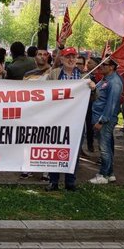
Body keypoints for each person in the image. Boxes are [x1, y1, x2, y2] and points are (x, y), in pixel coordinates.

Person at [45, 47, 83, 191]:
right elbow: (44, 93)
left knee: (74, 150)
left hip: (76, 121)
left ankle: (70, 182)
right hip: (57, 119)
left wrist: (93, 89)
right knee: (55, 149)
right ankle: (53, 181)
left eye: (74, 57)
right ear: (61, 59)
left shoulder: (84, 77)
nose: (71, 59)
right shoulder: (54, 74)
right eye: (68, 56)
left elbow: (93, 98)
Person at [88, 59, 123, 184]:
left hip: (104, 119)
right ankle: (110, 173)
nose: (100, 66)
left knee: (104, 148)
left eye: (104, 64)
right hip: (99, 116)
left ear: (112, 67)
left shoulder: (114, 82)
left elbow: (111, 104)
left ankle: (103, 174)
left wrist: (102, 121)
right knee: (108, 146)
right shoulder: (105, 79)